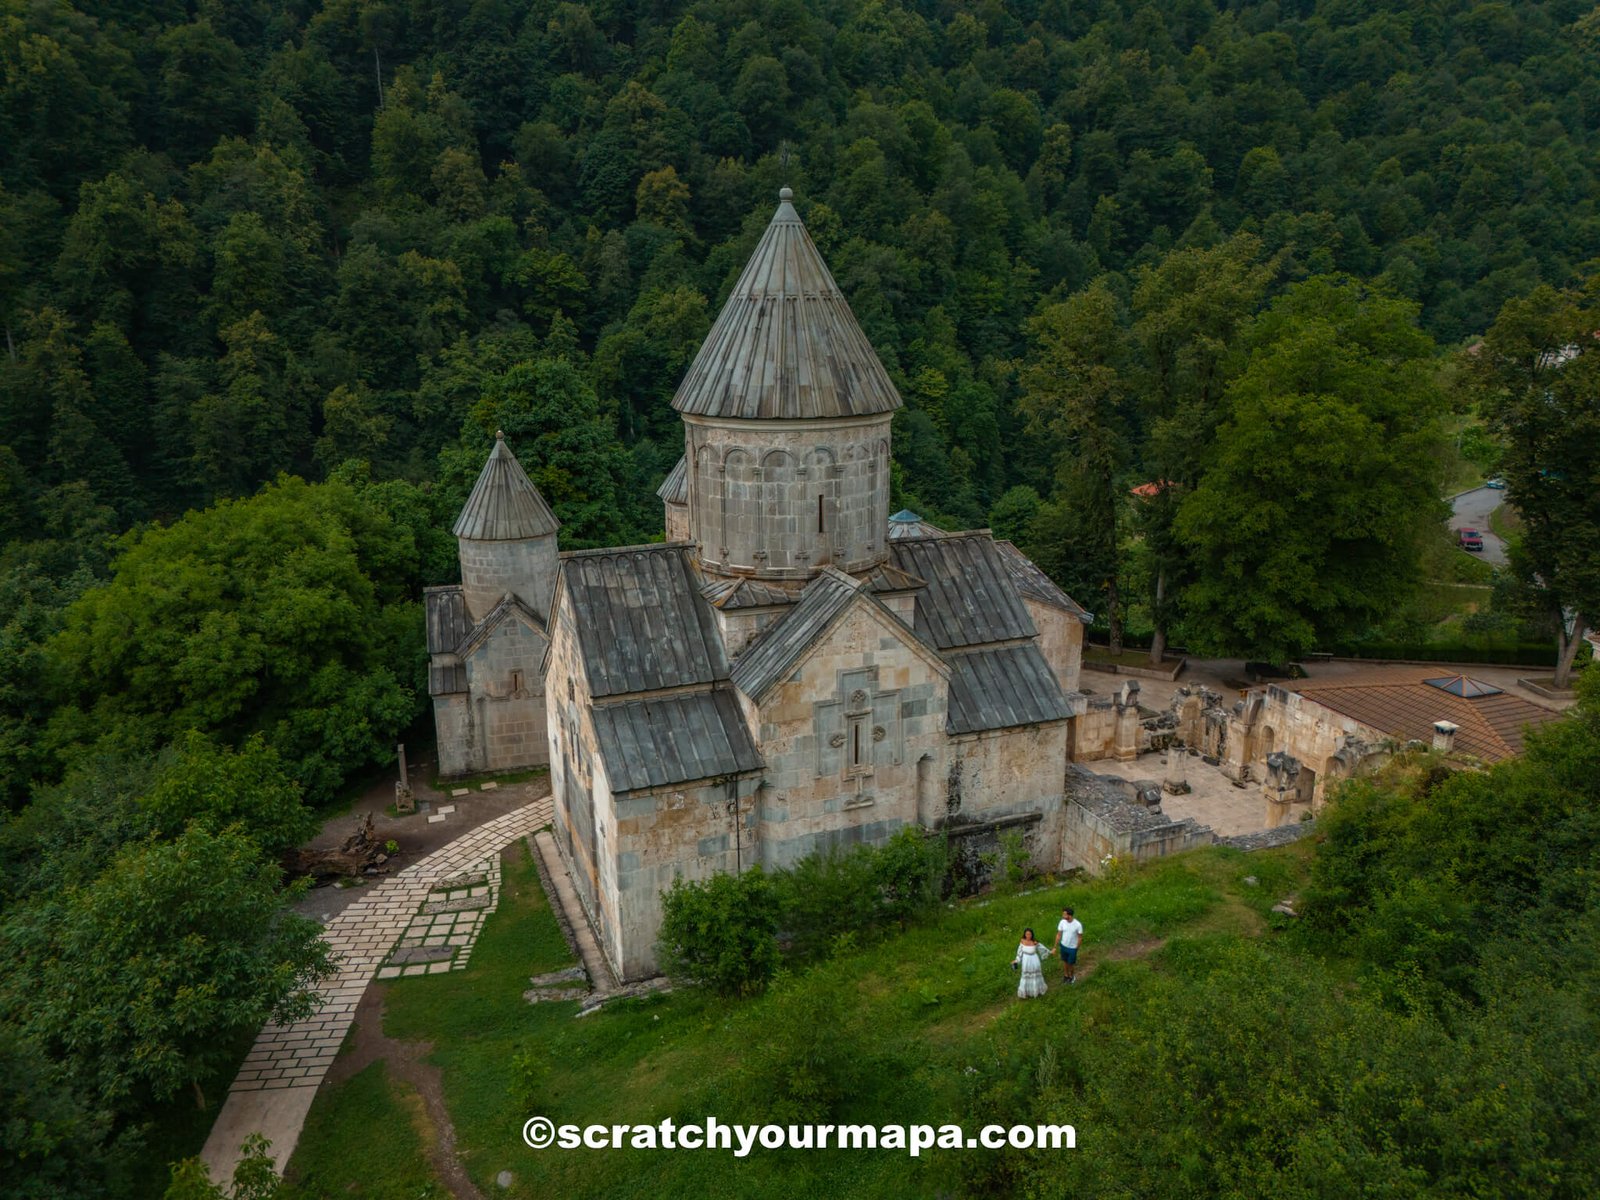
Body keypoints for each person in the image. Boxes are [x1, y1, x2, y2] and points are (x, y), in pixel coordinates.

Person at [1012, 927, 1051, 999]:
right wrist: (1016, 960)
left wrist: (1049, 952)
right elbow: (1019, 953)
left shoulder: (1035, 942)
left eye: (1029, 934)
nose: (1028, 936)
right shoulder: (1022, 941)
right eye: (1027, 934)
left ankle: (1037, 991)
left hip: (1034, 960)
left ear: (1032, 935)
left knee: (1035, 975)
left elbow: (1042, 948)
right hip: (1026, 960)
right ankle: (1026, 992)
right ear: (1025, 934)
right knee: (1026, 976)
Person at [1055, 907, 1084, 984]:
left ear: (1069, 915)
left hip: (1072, 948)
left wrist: (1076, 948)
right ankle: (1066, 976)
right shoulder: (1062, 922)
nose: (1063, 915)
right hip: (1063, 946)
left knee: (1070, 964)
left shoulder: (1077, 925)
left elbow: (1080, 937)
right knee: (1065, 962)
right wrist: (1055, 946)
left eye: (1064, 914)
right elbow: (1058, 934)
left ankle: (1072, 976)